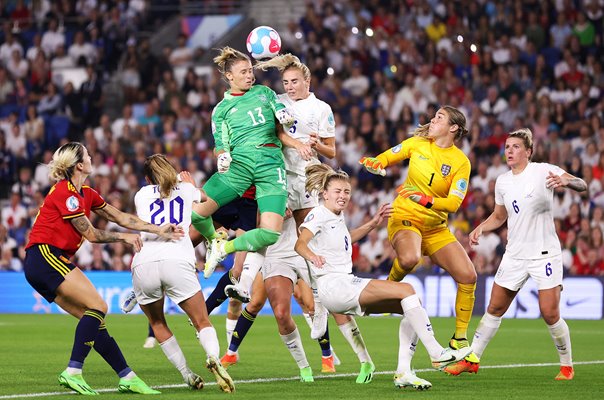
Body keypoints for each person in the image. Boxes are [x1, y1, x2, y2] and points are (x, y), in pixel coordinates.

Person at [23, 142, 184, 395]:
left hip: (44, 261)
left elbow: (120, 216)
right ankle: (73, 371)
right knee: (99, 306)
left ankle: (127, 376)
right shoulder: (66, 194)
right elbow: (92, 235)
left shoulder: (86, 193)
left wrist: (156, 228)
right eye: (87, 154)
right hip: (45, 256)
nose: (91, 156)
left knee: (94, 320)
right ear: (79, 164)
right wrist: (124, 238)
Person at [294, 164, 472, 389]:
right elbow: (300, 243)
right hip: (334, 284)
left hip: (342, 285)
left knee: (409, 305)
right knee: (406, 290)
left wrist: (373, 223)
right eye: (337, 191)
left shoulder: (335, 217)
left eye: (346, 192)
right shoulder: (318, 214)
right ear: (325, 194)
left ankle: (404, 372)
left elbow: (347, 238)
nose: (342, 196)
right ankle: (436, 352)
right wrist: (313, 256)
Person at [454, 129, 585, 379]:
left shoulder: (543, 170)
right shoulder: (502, 181)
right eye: (506, 147)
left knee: (549, 312)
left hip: (544, 254)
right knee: (494, 307)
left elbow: (583, 184)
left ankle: (567, 366)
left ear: (528, 152)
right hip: (514, 254)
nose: (509, 151)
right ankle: (472, 359)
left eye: (515, 147)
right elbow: (500, 216)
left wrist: (568, 181)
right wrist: (480, 227)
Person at [359, 106, 479, 368]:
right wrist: (375, 163)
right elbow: (387, 157)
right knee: (411, 257)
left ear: (453, 128)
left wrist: (425, 200)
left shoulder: (461, 162)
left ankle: (459, 340)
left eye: (439, 118)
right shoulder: (417, 143)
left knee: (469, 276)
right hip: (405, 217)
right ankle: (387, 290)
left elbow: (454, 203)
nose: (432, 120)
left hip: (435, 227)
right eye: (434, 116)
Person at [224, 52, 336, 305]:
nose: (290, 87)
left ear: (307, 81)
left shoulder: (322, 109)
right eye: (286, 83)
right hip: (278, 175)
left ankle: (320, 297)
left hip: (307, 179)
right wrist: (297, 144)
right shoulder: (277, 101)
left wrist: (317, 145)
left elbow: (332, 150)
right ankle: (242, 285)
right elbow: (276, 133)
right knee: (268, 231)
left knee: (307, 236)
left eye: (294, 82)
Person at [130, 155, 234, 392]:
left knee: (157, 322)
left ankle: (187, 374)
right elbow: (206, 199)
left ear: (147, 178)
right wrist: (189, 182)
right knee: (201, 321)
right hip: (177, 258)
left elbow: (159, 194)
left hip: (144, 262)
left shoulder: (141, 194)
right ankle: (213, 357)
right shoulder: (187, 190)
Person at [190, 46, 294, 279]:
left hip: (271, 165)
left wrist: (284, 114)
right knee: (197, 214)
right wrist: (223, 155)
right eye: (244, 72)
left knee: (270, 233)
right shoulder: (221, 110)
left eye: (250, 71)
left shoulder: (264, 93)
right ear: (229, 77)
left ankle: (224, 248)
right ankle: (214, 240)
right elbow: (219, 142)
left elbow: (279, 109)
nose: (250, 75)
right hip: (240, 166)